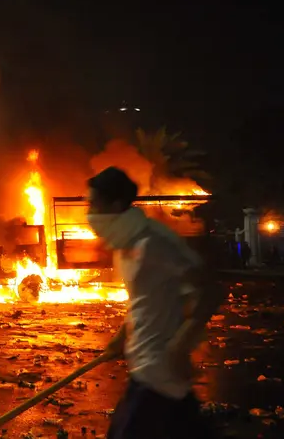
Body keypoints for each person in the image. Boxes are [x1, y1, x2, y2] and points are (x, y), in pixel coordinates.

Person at [84, 167, 225, 439]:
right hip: (148, 371)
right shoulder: (123, 244)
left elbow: (210, 291)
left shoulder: (153, 243)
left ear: (114, 205)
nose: (89, 212)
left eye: (94, 204)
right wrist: (122, 336)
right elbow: (144, 299)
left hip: (158, 373)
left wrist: (180, 345)